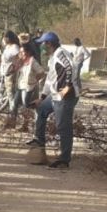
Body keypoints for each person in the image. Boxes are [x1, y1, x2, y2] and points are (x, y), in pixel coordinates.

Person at [27, 31, 79, 170]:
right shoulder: (52, 57)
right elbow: (50, 80)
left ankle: (64, 159)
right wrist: (42, 97)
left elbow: (70, 67)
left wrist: (68, 86)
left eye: (43, 44)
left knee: (63, 127)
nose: (41, 47)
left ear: (49, 44)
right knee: (41, 109)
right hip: (55, 95)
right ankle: (39, 140)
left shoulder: (61, 54)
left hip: (66, 97)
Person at [13, 43, 46, 128]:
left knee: (25, 105)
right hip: (20, 85)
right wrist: (18, 62)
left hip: (28, 86)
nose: (21, 53)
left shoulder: (32, 61)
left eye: (23, 52)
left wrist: (35, 80)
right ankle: (12, 122)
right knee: (15, 103)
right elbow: (14, 70)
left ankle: (25, 125)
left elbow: (41, 72)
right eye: (20, 52)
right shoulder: (21, 61)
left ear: (28, 52)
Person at [0, 31, 20, 116]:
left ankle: (13, 113)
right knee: (9, 93)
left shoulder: (15, 47)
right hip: (5, 72)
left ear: (9, 38)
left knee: (11, 93)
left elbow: (19, 59)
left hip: (11, 73)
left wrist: (14, 68)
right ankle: (12, 111)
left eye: (5, 37)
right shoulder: (7, 47)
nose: (4, 39)